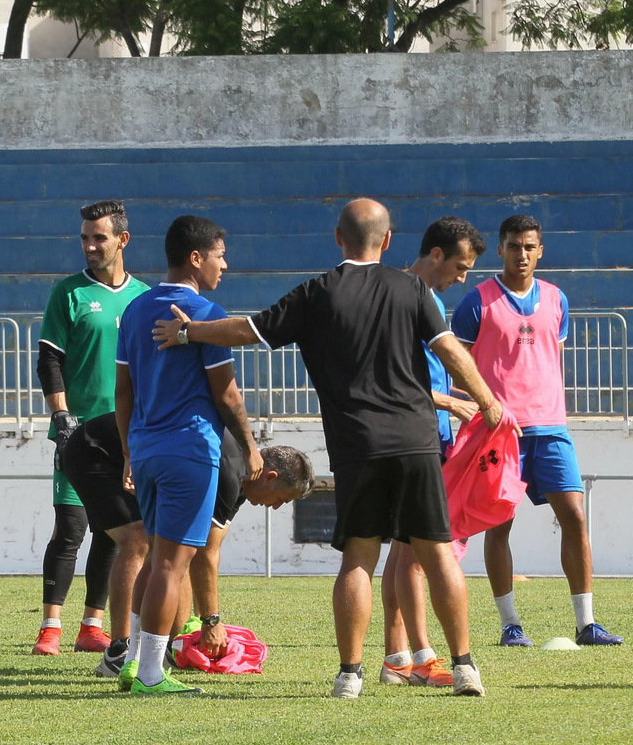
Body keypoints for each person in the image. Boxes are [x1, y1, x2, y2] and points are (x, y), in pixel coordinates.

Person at [152, 199, 504, 699]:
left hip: (357, 446)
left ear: (338, 238)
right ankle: (465, 667)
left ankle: (350, 675)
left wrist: (188, 331)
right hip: (415, 442)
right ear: (386, 242)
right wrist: (488, 400)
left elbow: (247, 331)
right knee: (438, 553)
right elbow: (449, 348)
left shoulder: (317, 292)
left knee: (358, 558)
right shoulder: (414, 289)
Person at [450, 214, 622, 648]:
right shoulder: (477, 302)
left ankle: (587, 624)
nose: (521, 254)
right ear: (502, 248)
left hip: (551, 428)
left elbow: (547, 361)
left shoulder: (557, 300)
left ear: (540, 250)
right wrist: (477, 408)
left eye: (529, 247)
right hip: (500, 434)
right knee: (499, 524)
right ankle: (510, 625)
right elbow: (451, 366)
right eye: (513, 246)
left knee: (575, 517)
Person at [115, 214, 262, 697]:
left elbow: (123, 390)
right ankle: (153, 674)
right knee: (170, 567)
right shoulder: (207, 313)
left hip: (148, 447)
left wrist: (129, 451)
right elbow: (228, 396)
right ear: (196, 258)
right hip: (190, 450)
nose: (226, 263)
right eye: (220, 254)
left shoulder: (135, 309)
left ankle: (133, 662)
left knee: (156, 557)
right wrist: (250, 445)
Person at [60, 410, 313, 685]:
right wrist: (211, 622)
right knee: (139, 540)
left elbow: (200, 548)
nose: (275, 506)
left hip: (145, 456)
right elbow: (207, 555)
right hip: (97, 450)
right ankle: (120, 651)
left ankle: (166, 646)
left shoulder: (242, 481)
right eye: (282, 498)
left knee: (176, 548)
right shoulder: (230, 472)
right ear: (269, 476)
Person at [32, 199, 149, 657]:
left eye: (98, 237)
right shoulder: (68, 293)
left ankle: (91, 625)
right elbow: (50, 359)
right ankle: (50, 627)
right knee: (71, 526)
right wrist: (60, 416)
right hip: (80, 433)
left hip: (127, 434)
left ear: (122, 239)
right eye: (84, 237)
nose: (89, 245)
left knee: (115, 530)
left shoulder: (143, 296)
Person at [381, 217, 486, 689]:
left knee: (402, 550)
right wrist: (453, 401)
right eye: (461, 266)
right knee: (415, 554)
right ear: (437, 255)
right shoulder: (401, 298)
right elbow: (393, 376)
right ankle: (422, 656)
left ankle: (397, 656)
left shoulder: (429, 300)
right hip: (410, 437)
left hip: (430, 436)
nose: (463, 277)